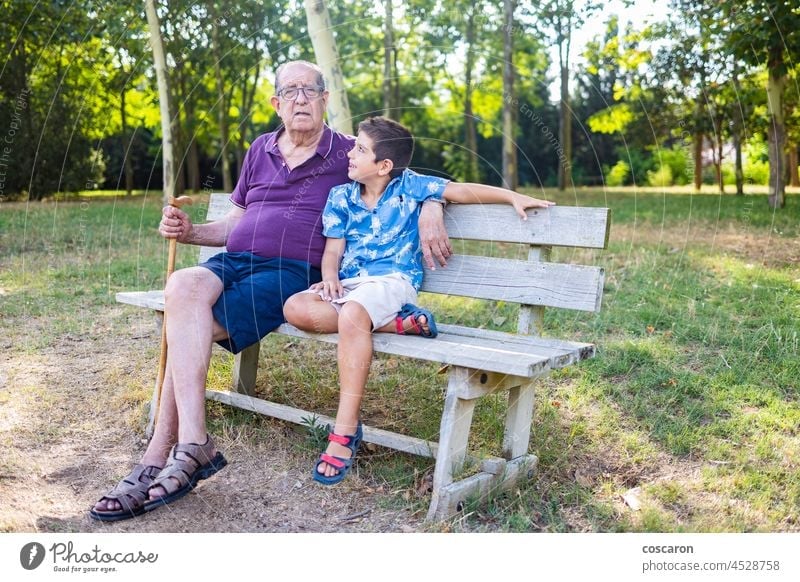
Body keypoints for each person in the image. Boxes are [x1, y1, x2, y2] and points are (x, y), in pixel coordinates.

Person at [90, 62, 451, 521]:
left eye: (310, 90)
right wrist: (190, 231)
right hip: (236, 260)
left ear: (325, 100)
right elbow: (234, 224)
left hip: (289, 273)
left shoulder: (346, 152)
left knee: (187, 330)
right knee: (182, 284)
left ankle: (157, 453)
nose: (301, 99)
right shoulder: (260, 148)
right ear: (276, 104)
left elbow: (398, 171)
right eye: (290, 91)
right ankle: (192, 444)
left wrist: (432, 207)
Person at [283, 116, 555, 484]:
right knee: (295, 307)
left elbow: (461, 191)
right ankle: (392, 323)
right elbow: (333, 251)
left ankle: (344, 430)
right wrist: (329, 278)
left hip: (393, 281)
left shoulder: (411, 187)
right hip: (352, 284)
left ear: (384, 166)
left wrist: (510, 195)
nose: (350, 152)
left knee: (351, 318)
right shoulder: (341, 196)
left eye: (360, 149)